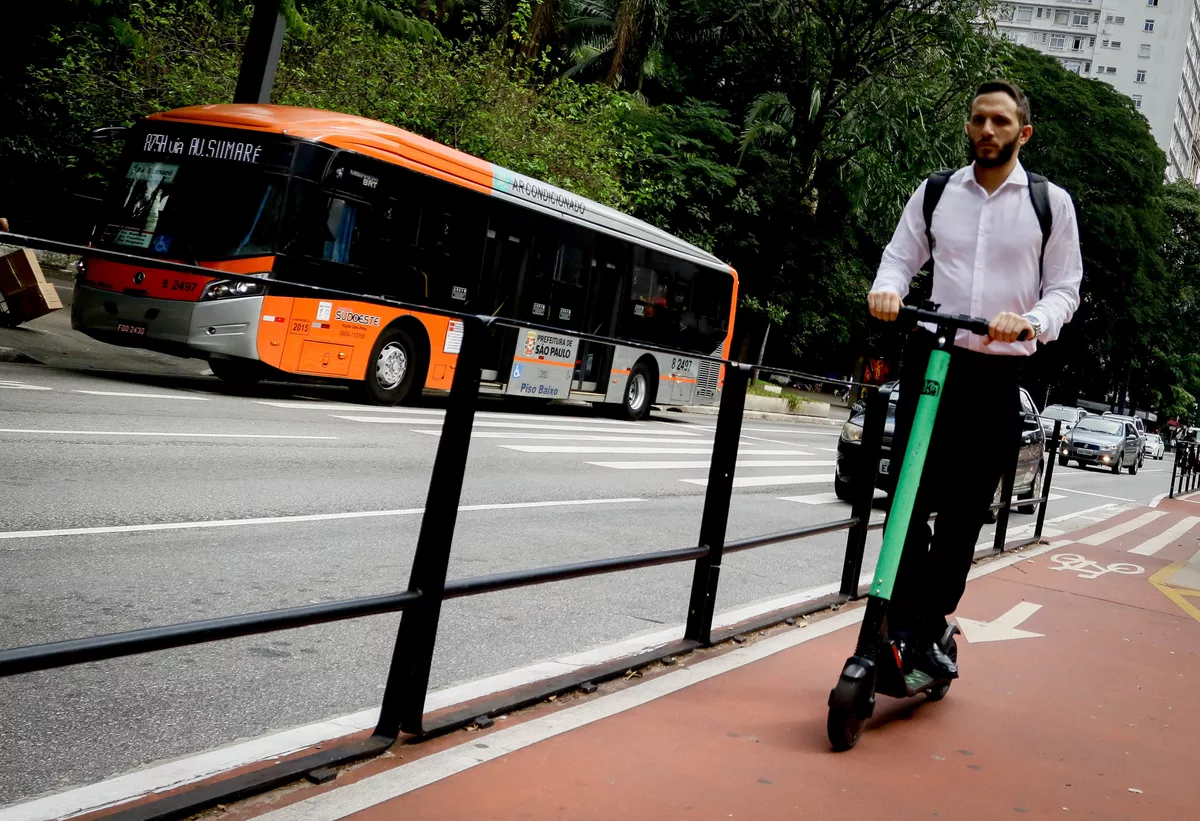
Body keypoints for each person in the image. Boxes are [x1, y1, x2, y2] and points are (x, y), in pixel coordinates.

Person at [867, 79, 1083, 679]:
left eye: (1001, 122)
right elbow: (900, 256)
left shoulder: (1049, 204)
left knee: (965, 509)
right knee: (907, 496)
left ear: (1023, 132)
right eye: (978, 120)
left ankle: (932, 622)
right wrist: (889, 290)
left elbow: (1065, 288)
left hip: (997, 373)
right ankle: (905, 622)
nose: (987, 131)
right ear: (969, 126)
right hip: (931, 360)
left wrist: (1030, 321)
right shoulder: (937, 192)